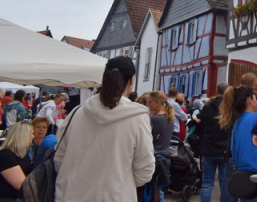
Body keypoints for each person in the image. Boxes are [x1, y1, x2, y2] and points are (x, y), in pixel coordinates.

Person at [54, 56, 155, 201]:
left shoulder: (77, 113)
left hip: (70, 195)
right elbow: (145, 170)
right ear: (131, 81)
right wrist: (120, 183)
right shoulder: (137, 118)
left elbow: (58, 159)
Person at [218, 85, 257, 202]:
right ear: (249, 99)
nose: (256, 101)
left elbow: (235, 151)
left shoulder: (237, 122)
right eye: (255, 97)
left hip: (245, 179)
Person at [200, 82, 229, 202]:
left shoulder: (207, 107)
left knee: (207, 183)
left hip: (208, 148)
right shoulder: (230, 107)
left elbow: (201, 126)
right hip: (225, 150)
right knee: (224, 184)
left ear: (217, 91)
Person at [147, 91, 174, 202]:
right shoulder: (169, 117)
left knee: (153, 192)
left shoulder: (154, 119)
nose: (148, 104)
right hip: (165, 156)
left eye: (150, 102)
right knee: (159, 191)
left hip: (155, 157)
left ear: (158, 103)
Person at [0, 122, 33, 199]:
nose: (33, 136)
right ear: (24, 136)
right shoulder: (6, 155)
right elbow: (20, 185)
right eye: (32, 133)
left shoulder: (22, 155)